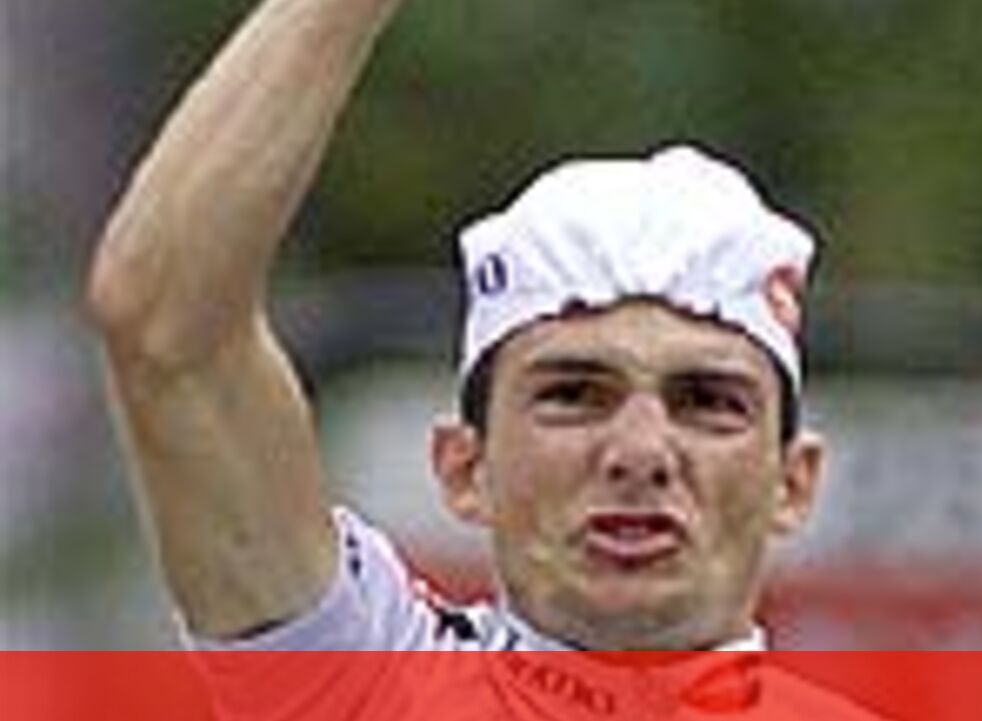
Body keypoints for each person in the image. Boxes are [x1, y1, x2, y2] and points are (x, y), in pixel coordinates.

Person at [87, 0, 878, 718]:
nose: (640, 452)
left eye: (706, 401)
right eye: (574, 394)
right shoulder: (378, 688)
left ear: (794, 481)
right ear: (465, 466)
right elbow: (167, 329)